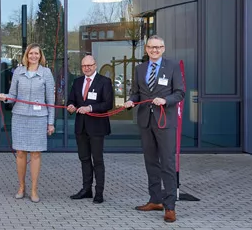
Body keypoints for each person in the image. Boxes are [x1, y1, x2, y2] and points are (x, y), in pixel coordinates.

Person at [123, 35, 185, 223]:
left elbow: (180, 93)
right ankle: (155, 199)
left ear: (163, 49)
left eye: (158, 47)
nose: (154, 50)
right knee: (151, 162)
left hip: (165, 121)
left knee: (166, 163)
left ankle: (170, 207)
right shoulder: (139, 68)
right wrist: (131, 101)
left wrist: (166, 101)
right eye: (151, 47)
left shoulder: (172, 67)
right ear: (146, 49)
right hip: (145, 121)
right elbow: (136, 93)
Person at [0, 44, 55, 202]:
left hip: (39, 118)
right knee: (20, 153)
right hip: (20, 117)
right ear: (26, 55)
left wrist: (50, 122)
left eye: (36, 53)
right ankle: (21, 187)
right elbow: (13, 94)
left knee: (36, 153)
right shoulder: (18, 71)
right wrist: (5, 97)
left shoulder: (46, 73)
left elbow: (50, 100)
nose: (34, 56)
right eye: (31, 53)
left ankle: (34, 190)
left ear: (40, 55)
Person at [65, 54, 113, 203]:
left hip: (97, 127)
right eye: (84, 66)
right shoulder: (78, 82)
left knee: (97, 160)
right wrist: (71, 106)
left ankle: (99, 192)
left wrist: (90, 107)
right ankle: (87, 190)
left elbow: (108, 104)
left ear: (95, 65)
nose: (86, 68)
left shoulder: (104, 82)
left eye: (89, 65)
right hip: (81, 127)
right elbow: (71, 100)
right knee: (84, 159)